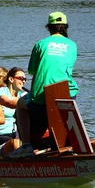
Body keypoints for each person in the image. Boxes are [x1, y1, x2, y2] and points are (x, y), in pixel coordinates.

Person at [10, 11, 78, 158]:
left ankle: (26, 146)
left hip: (42, 96)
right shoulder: (72, 45)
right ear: (65, 27)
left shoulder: (40, 44)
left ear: (49, 27)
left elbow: (32, 70)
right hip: (68, 93)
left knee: (20, 105)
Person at [0, 66, 28, 146]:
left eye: (25, 79)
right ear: (11, 79)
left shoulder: (22, 95)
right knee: (17, 144)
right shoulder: (1, 91)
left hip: (17, 133)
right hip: (0, 134)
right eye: (21, 78)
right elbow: (7, 102)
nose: (23, 81)